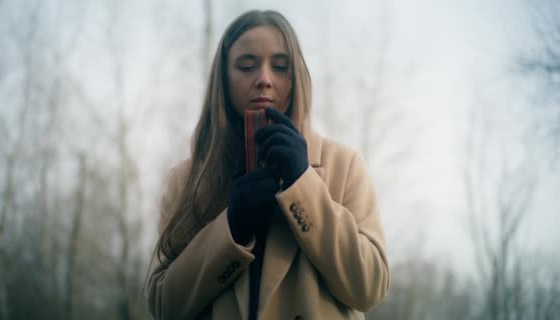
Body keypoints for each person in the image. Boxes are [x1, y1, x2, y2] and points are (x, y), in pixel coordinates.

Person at [144, 9, 390, 320]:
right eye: (247, 66)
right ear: (223, 78)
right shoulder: (184, 180)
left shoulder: (345, 165)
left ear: (296, 77)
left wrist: (303, 185)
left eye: (280, 67)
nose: (264, 79)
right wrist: (232, 228)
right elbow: (163, 306)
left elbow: (369, 288)